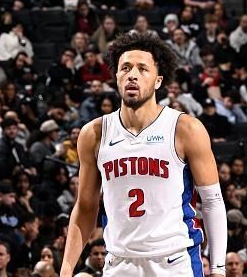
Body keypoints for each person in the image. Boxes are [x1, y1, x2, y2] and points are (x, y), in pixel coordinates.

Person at [60, 32, 227, 276]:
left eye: (142, 69)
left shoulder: (185, 129)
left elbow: (212, 201)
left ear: (158, 80)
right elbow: (85, 207)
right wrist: (65, 270)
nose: (132, 75)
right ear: (116, 76)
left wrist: (218, 269)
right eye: (125, 68)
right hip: (119, 262)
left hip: (175, 261)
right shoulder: (94, 133)